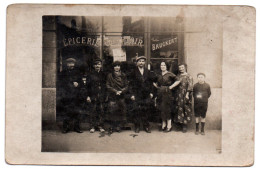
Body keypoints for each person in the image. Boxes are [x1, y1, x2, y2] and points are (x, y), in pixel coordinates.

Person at [129, 56, 156, 133]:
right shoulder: (133, 72)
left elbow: (151, 83)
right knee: (137, 110)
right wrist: (132, 94)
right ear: (137, 63)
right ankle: (137, 126)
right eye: (140, 61)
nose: (141, 63)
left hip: (146, 94)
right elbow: (130, 84)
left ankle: (146, 126)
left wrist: (151, 93)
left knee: (146, 109)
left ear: (145, 63)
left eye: (143, 61)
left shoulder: (148, 71)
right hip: (137, 94)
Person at [153, 61, 180, 132]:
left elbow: (178, 80)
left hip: (167, 93)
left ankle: (169, 125)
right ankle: (163, 124)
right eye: (161, 65)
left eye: (164, 65)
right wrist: (157, 87)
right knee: (161, 108)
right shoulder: (158, 74)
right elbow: (155, 82)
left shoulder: (170, 74)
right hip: (160, 92)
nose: (162, 67)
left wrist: (171, 87)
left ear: (166, 66)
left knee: (167, 108)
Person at [61, 58, 83, 134]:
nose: (71, 65)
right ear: (67, 64)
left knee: (77, 112)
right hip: (67, 95)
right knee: (67, 112)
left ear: (74, 64)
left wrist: (78, 84)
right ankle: (65, 128)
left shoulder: (78, 72)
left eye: (72, 63)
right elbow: (62, 83)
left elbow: (81, 83)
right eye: (69, 63)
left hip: (76, 95)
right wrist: (71, 84)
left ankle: (77, 127)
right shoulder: (63, 72)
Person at [106, 61, 128, 133]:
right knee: (112, 111)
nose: (117, 67)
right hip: (113, 95)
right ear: (113, 67)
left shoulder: (123, 75)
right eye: (115, 66)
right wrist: (115, 91)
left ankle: (119, 126)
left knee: (121, 111)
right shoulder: (110, 75)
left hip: (121, 96)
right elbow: (108, 85)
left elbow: (126, 86)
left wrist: (121, 91)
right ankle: (112, 126)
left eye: (118, 66)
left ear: (120, 67)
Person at [86, 58, 106, 133]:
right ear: (93, 66)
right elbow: (87, 86)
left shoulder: (103, 74)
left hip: (101, 95)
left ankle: (100, 126)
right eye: (96, 64)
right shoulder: (90, 74)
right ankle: (92, 126)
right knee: (93, 110)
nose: (97, 66)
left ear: (101, 65)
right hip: (92, 95)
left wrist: (105, 95)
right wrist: (88, 96)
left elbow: (105, 86)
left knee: (101, 110)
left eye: (99, 64)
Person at [174, 63, 193, 133]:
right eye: (180, 68)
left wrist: (187, 94)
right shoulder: (178, 76)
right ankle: (179, 125)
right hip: (178, 94)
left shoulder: (189, 76)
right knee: (179, 108)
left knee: (185, 108)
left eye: (182, 67)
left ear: (185, 67)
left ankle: (185, 126)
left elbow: (190, 86)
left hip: (185, 94)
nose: (181, 69)